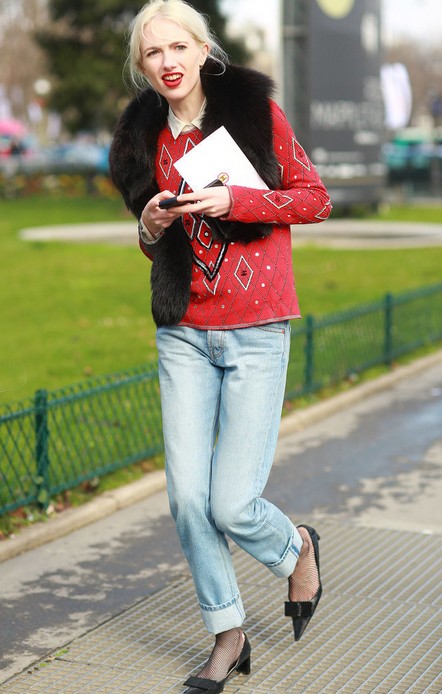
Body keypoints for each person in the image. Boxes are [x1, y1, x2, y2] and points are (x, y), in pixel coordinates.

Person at [110, 1, 331, 691]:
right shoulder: (145, 137)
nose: (168, 62)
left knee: (231, 503)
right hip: (184, 333)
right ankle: (228, 634)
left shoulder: (252, 115)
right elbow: (156, 249)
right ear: (141, 65)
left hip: (257, 330)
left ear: (205, 49)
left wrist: (238, 199)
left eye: (179, 46)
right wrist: (149, 225)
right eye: (153, 53)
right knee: (185, 498)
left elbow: (313, 198)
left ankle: (296, 547)